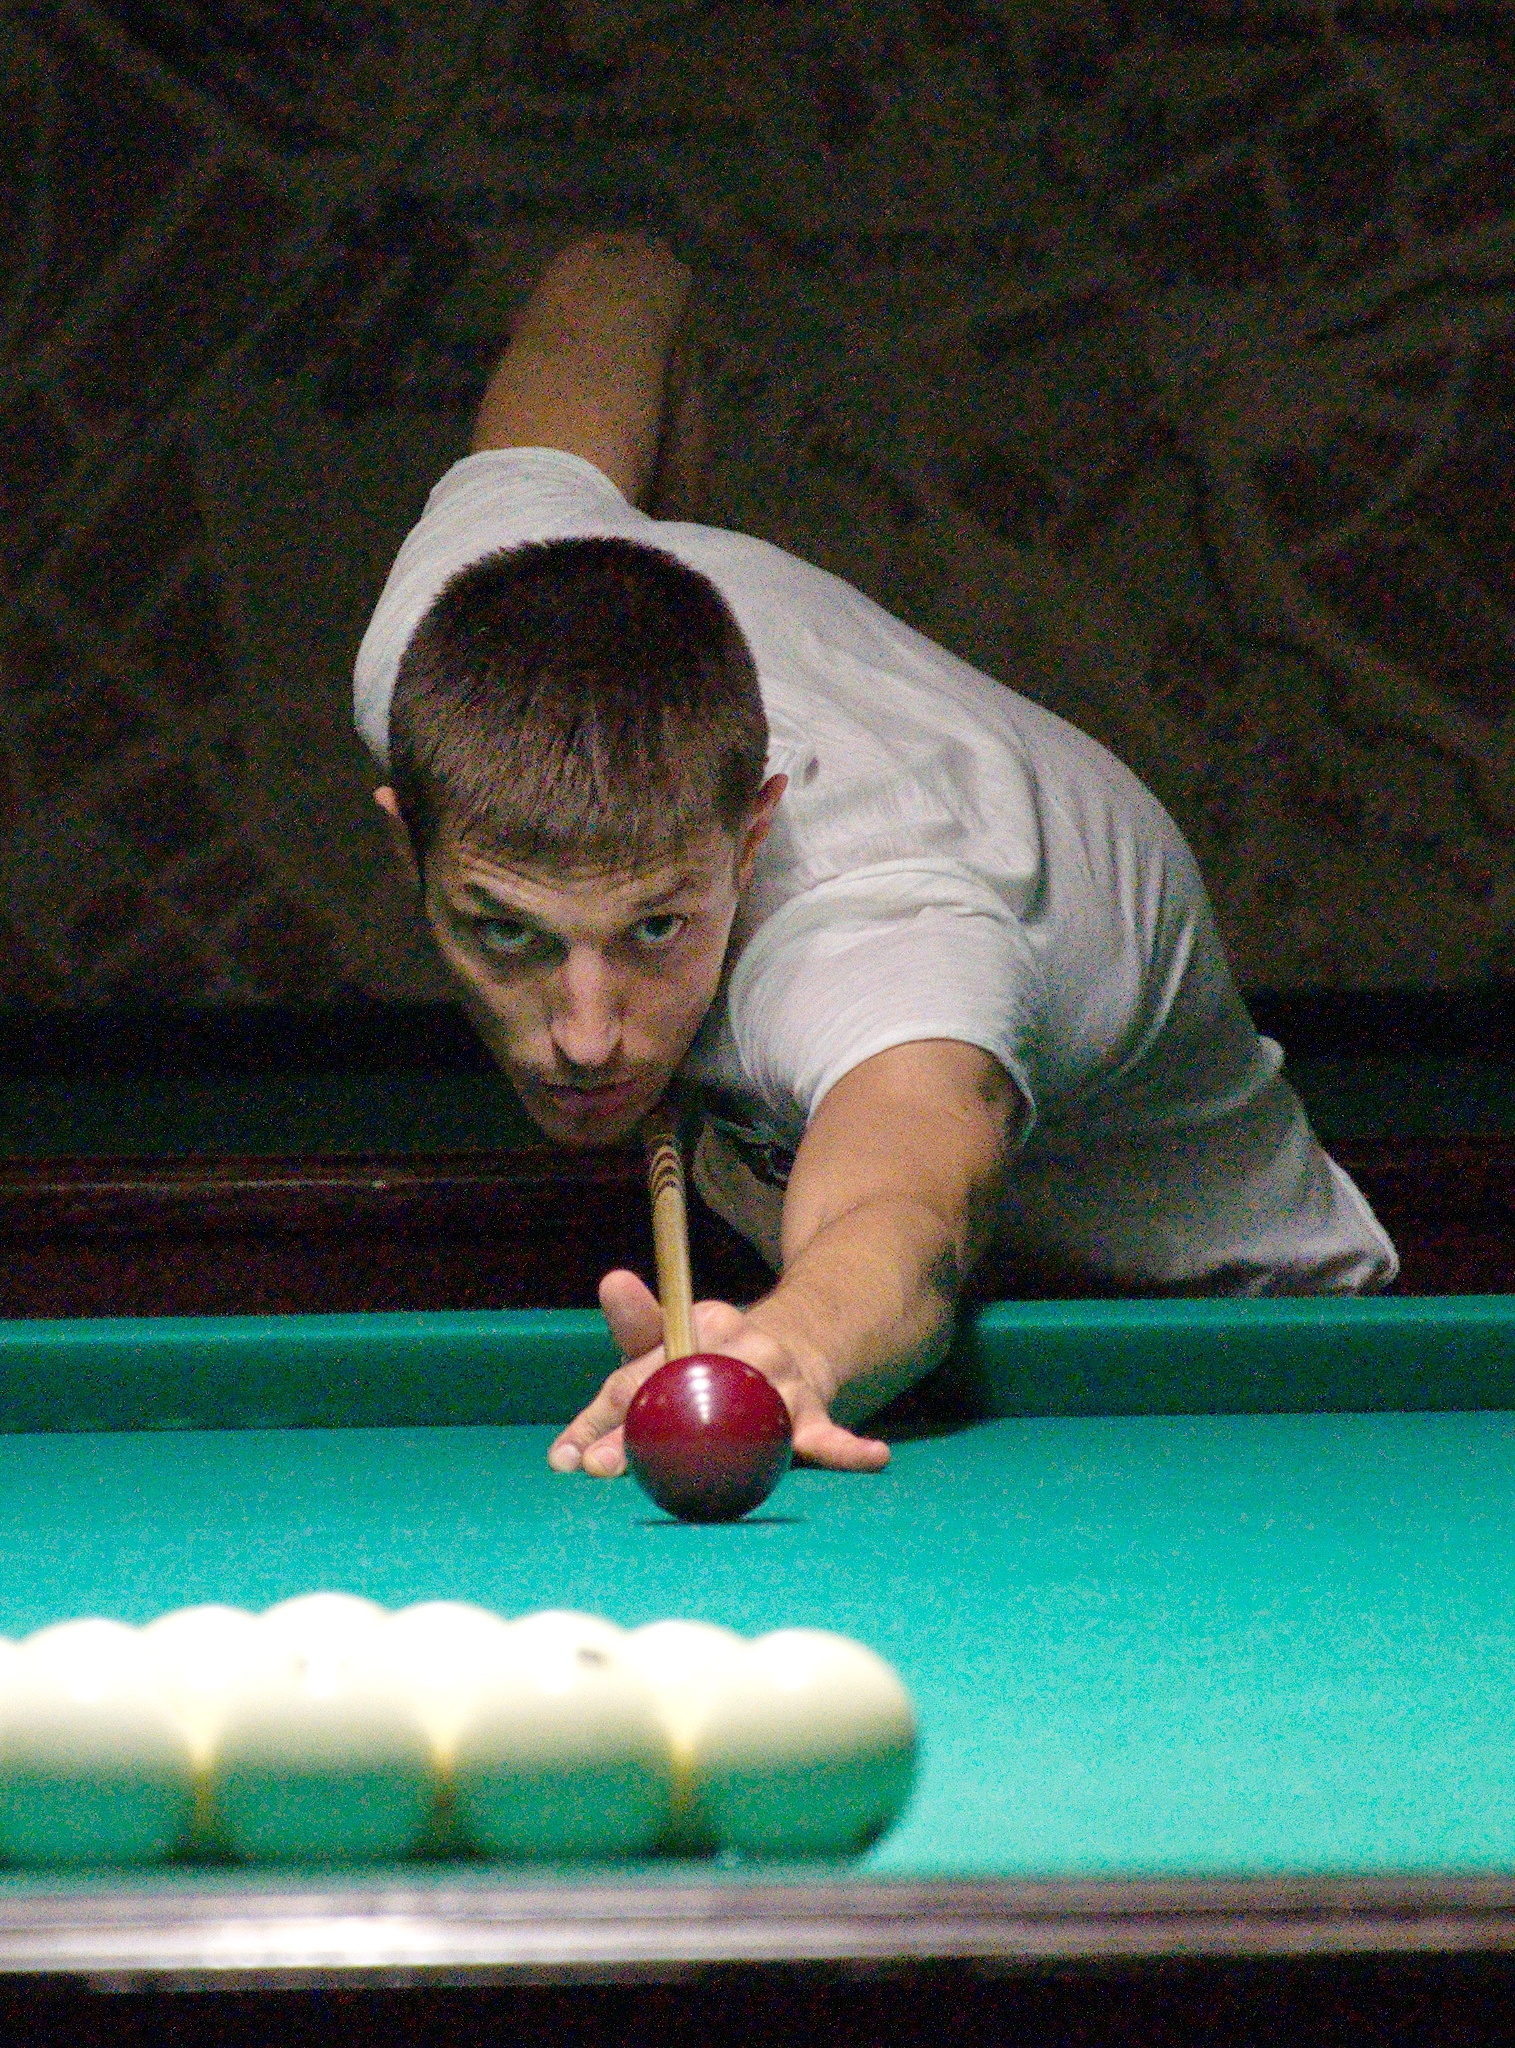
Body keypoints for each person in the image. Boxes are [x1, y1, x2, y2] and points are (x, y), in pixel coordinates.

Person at [351, 234, 1395, 1482]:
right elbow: (617, 280)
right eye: (509, 932)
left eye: (655, 927)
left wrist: (793, 1344)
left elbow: (904, 1205)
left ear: (754, 832)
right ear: (407, 842)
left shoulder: (889, 924)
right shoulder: (452, 617)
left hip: (1248, 1378)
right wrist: (660, 568)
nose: (584, 1036)